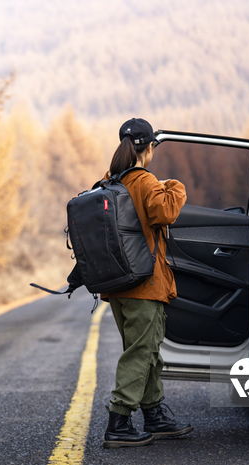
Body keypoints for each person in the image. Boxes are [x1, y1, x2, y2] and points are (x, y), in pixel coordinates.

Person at [102, 118, 192, 449]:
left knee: (146, 351)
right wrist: (177, 185)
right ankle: (119, 421)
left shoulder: (108, 182)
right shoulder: (144, 180)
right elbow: (165, 211)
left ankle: (154, 414)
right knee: (141, 351)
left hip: (117, 286)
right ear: (149, 148)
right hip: (144, 285)